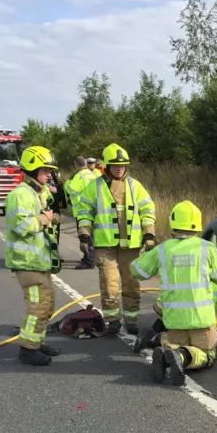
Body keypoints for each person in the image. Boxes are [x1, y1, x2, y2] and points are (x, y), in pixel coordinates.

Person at [131, 200, 217, 385]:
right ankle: (181, 357)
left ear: (173, 222)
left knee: (175, 342)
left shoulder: (163, 250)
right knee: (208, 354)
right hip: (201, 321)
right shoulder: (206, 248)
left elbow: (137, 270)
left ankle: (164, 350)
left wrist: (147, 254)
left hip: (174, 322)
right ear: (197, 223)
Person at [76, 143, 156, 335]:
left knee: (131, 283)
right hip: (106, 245)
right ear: (107, 166)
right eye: (115, 165)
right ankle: (112, 320)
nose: (120, 169)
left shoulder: (135, 186)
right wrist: (84, 233)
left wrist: (149, 233)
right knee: (109, 284)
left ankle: (132, 320)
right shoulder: (94, 187)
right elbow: (84, 211)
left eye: (123, 165)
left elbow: (147, 209)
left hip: (131, 245)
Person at [4, 145, 62, 366]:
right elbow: (21, 225)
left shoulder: (37, 192)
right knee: (37, 305)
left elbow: (49, 214)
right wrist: (45, 218)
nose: (49, 174)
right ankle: (28, 350)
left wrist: (52, 215)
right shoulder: (20, 195)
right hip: (27, 263)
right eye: (45, 170)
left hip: (39, 262)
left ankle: (36, 342)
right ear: (32, 169)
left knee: (48, 303)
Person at [64, 156, 97, 269]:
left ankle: (89, 261)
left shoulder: (80, 176)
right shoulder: (92, 174)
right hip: (93, 210)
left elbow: (72, 190)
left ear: (76, 165)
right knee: (91, 235)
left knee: (85, 237)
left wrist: (67, 182)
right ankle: (90, 258)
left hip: (82, 211)